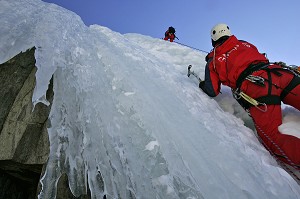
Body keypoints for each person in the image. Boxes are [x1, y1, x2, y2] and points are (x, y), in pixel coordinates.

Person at [199, 23, 300, 168]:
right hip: (279, 73)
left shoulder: (213, 60)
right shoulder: (244, 43)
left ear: (213, 40)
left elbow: (213, 90)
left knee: (272, 138)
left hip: (258, 87)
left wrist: (203, 85)